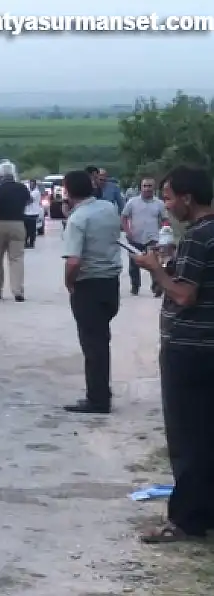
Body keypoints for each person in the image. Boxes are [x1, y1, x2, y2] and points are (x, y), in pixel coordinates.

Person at [130, 166, 214, 544]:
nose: (166, 206)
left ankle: (184, 521)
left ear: (187, 198)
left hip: (190, 350)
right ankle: (204, 513)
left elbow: (184, 295)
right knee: (207, 435)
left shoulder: (199, 235)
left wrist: (155, 270)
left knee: (187, 439)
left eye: (168, 197)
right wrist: (168, 264)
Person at [61, 169, 122, 414]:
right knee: (101, 340)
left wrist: (69, 282)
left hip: (89, 284)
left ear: (67, 190)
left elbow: (74, 261)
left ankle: (97, 399)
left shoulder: (78, 219)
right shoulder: (108, 208)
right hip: (111, 282)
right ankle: (101, 392)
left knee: (93, 344)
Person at [0, 165, 31, 301]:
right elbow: (28, 202)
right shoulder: (22, 188)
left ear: (0, 176)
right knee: (16, 259)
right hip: (18, 224)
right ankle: (17, 291)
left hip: (0, 225)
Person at [122, 177, 169, 297]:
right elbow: (124, 217)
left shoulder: (159, 203)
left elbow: (165, 219)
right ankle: (135, 287)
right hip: (135, 238)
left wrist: (164, 233)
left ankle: (156, 287)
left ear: (153, 188)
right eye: (145, 186)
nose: (147, 188)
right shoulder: (132, 202)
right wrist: (128, 231)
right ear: (140, 187)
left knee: (154, 264)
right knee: (134, 264)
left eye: (149, 186)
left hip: (153, 238)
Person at [24, 179, 42, 249]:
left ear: (35, 184)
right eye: (30, 184)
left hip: (33, 213)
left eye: (32, 184)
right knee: (26, 229)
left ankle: (31, 243)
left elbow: (29, 200)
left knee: (32, 230)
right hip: (27, 213)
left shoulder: (36, 192)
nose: (31, 185)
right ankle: (25, 242)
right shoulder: (30, 191)